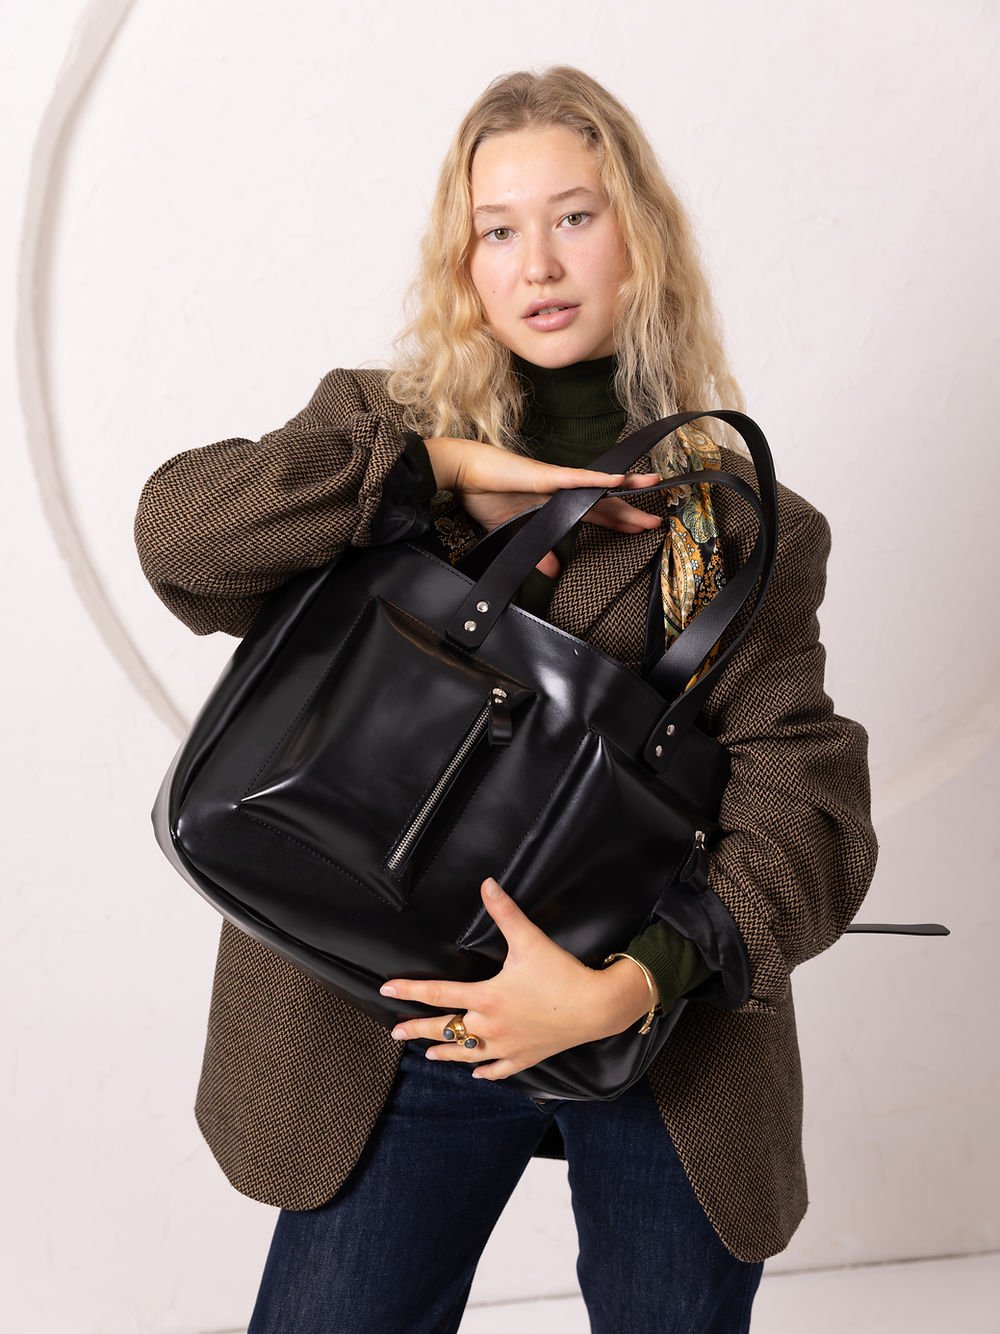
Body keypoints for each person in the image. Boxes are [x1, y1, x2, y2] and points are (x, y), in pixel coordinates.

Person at [134, 65, 877, 1334]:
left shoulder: (741, 525)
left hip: (648, 1028)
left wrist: (625, 984)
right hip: (396, 1013)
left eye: (575, 216)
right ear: (462, 260)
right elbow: (181, 537)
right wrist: (430, 472)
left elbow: (805, 804)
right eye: (498, 227)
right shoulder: (380, 440)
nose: (538, 261)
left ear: (640, 238)